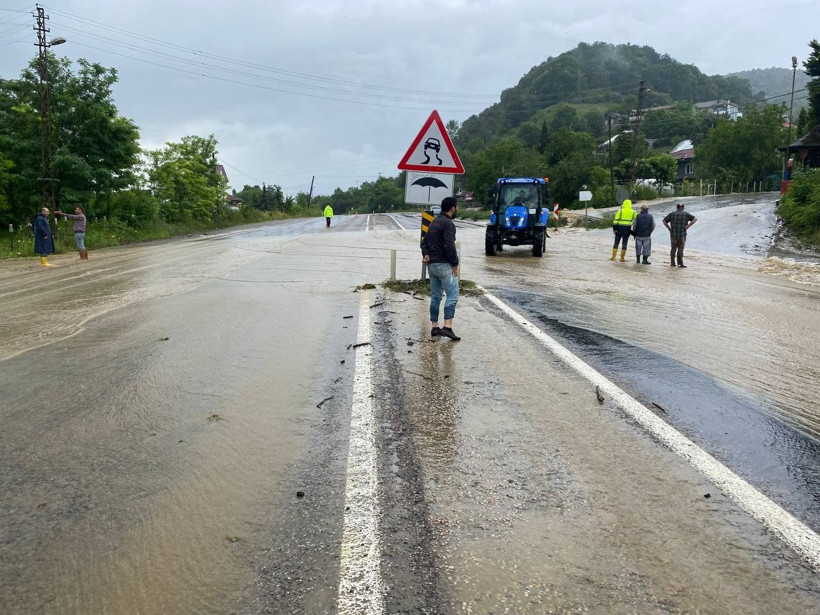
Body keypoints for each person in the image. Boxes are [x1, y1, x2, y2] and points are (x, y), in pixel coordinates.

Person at [421, 196, 460, 341]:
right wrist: (455, 263)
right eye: (457, 207)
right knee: (453, 294)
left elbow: (424, 243)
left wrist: (426, 254)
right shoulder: (448, 224)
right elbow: (449, 244)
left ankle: (435, 327)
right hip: (444, 266)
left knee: (436, 296)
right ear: (453, 208)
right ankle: (447, 327)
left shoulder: (433, 222)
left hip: (432, 266)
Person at [663, 203, 697, 267]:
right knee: (680, 249)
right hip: (682, 234)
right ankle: (680, 263)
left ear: (677, 207)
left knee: (673, 249)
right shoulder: (686, 214)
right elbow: (695, 219)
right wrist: (688, 226)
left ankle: (672, 263)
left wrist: (669, 228)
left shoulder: (672, 214)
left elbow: (664, 221)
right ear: (683, 208)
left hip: (673, 234)